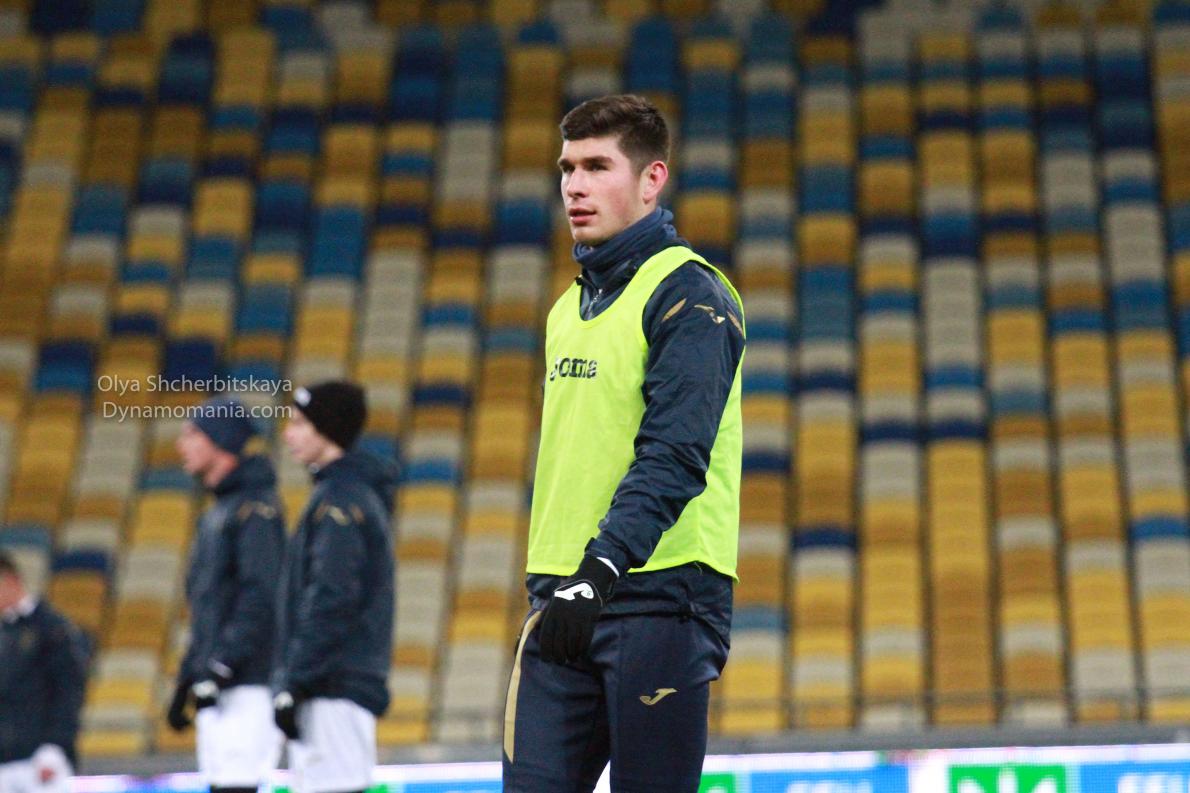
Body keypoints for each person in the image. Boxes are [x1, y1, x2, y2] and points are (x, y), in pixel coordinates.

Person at [502, 94, 746, 793]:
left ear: (651, 179)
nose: (574, 187)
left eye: (597, 166)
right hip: (561, 600)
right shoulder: (564, 309)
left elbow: (675, 454)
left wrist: (601, 566)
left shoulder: (692, 296)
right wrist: (570, 583)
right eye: (567, 168)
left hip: (660, 598)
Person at [273, 381, 396, 793]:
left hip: (333, 683)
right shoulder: (343, 495)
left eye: (299, 423)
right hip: (332, 680)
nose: (287, 434)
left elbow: (332, 596)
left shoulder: (340, 501)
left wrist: (295, 680)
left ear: (327, 429)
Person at [166, 396, 286, 793]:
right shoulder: (220, 512)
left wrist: (220, 665)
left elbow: (261, 595)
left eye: (192, 434)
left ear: (220, 440)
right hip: (221, 684)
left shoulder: (256, 511)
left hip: (248, 684)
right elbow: (207, 609)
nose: (181, 444)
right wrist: (189, 677)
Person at [0, 550, 89, 793]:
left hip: (41, 761)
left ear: (10, 581)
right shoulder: (5, 632)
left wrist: (56, 745)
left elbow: (68, 690)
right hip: (5, 759)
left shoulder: (52, 628)